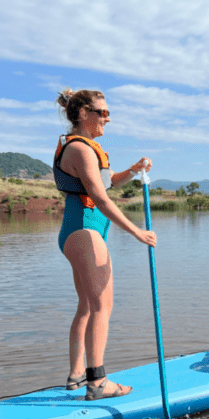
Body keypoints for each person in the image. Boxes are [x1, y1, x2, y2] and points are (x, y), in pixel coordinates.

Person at [54, 88, 156, 401]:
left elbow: (109, 182)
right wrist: (136, 231)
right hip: (86, 231)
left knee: (87, 306)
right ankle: (97, 383)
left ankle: (76, 375)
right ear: (84, 114)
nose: (108, 118)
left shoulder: (84, 148)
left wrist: (135, 170)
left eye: (108, 113)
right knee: (102, 306)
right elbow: (99, 197)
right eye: (103, 112)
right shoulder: (82, 150)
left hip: (81, 231)